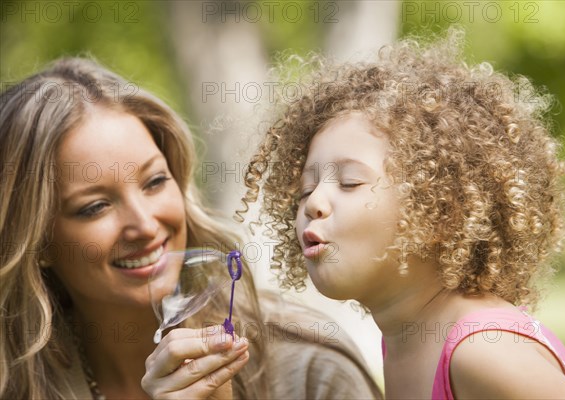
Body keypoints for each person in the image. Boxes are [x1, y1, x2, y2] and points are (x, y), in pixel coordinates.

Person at [239, 28, 565, 399]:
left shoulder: (484, 354)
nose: (313, 204)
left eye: (350, 182)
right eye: (306, 189)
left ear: (441, 211)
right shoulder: (407, 338)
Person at [0, 58, 382, 399]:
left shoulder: (309, 365)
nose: (145, 225)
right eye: (95, 207)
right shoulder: (14, 380)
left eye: (154, 182)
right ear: (38, 242)